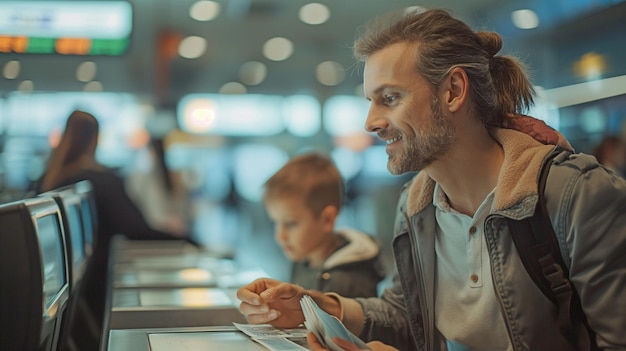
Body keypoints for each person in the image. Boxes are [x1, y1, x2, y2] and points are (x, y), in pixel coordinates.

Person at [237, 8, 626, 351]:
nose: (370, 122)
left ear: (453, 91)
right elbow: (408, 314)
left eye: (389, 98)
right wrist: (318, 307)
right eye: (370, 101)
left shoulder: (577, 196)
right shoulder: (416, 206)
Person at [36, 110, 198, 349]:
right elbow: (136, 229)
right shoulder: (100, 180)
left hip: (68, 299)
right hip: (98, 288)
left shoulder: (49, 180)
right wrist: (186, 239)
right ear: (95, 139)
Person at [262, 152, 385, 298]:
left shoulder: (347, 281)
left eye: (290, 224)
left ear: (327, 219)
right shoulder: (302, 260)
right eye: (276, 222)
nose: (280, 236)